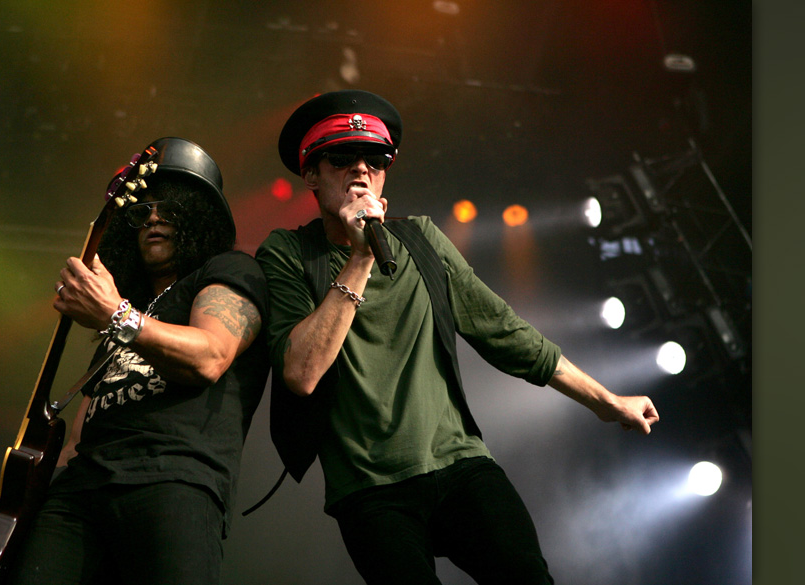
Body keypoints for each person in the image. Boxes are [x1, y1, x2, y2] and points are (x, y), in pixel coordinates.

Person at [254, 90, 660, 585]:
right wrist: (361, 257)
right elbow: (300, 373)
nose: (361, 171)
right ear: (311, 174)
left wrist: (604, 400)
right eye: (342, 159)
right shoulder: (288, 253)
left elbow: (504, 332)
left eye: (375, 160)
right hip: (369, 491)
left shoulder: (422, 239)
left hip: (460, 464)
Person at [0, 137, 269, 585]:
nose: (154, 218)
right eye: (141, 212)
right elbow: (78, 436)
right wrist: (17, 504)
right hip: (79, 492)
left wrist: (115, 315)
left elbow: (210, 356)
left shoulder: (229, 272)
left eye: (171, 208)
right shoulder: (131, 310)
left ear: (197, 216)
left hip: (171, 478)